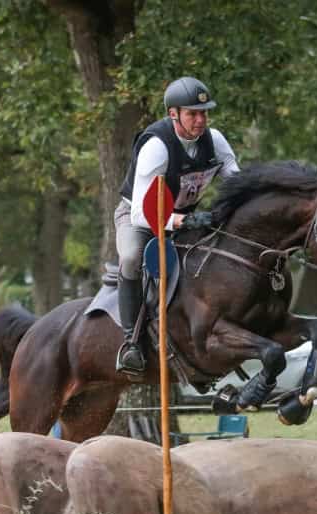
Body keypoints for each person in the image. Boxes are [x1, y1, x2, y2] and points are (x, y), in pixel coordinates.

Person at [114, 76, 241, 374]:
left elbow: (238, 184)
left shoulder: (215, 140)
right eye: (192, 114)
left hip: (185, 221)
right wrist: (183, 219)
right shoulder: (157, 146)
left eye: (204, 113)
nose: (200, 120)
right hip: (140, 218)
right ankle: (130, 343)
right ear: (174, 114)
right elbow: (140, 215)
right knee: (131, 257)